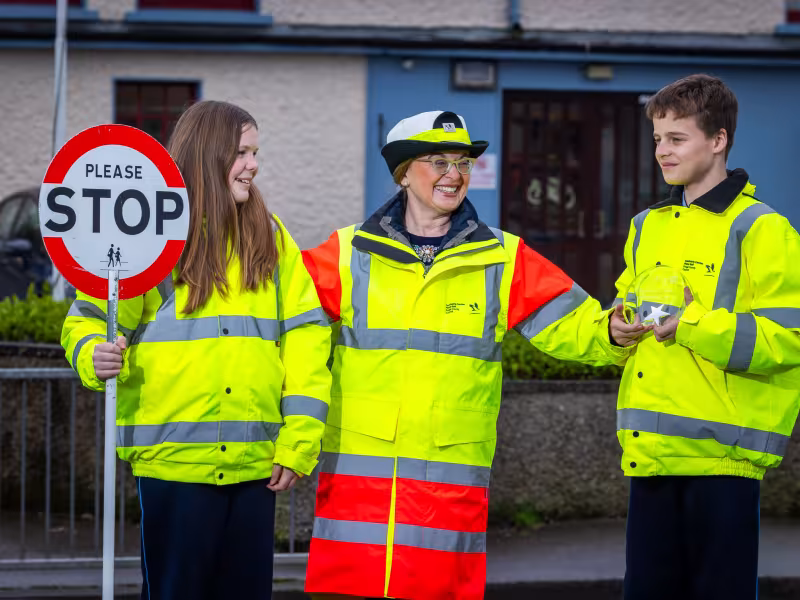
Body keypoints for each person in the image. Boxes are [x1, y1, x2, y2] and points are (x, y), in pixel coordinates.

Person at [301, 110, 642, 600]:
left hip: (446, 496)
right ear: (403, 173)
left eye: (461, 163)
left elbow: (573, 325)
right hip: (358, 501)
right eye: (437, 161)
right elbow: (282, 318)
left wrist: (613, 329)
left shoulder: (502, 257)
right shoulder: (348, 251)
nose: (454, 174)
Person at [60, 101, 332, 600]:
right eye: (242, 152)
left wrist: (299, 445)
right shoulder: (149, 236)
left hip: (256, 467)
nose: (254, 164)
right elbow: (88, 320)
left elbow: (307, 338)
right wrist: (93, 354)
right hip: (173, 464)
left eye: (256, 152)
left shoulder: (271, 238)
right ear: (207, 155)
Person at [611, 74, 800, 600]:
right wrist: (617, 328)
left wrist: (693, 324)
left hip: (724, 464)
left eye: (677, 139)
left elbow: (790, 342)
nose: (662, 152)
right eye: (656, 139)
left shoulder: (763, 229)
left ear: (718, 140)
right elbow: (630, 306)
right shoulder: (647, 225)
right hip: (651, 457)